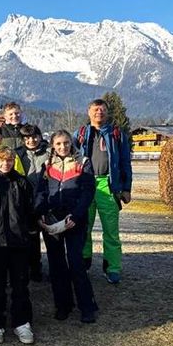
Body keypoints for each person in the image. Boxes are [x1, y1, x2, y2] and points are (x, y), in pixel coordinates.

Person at [36, 130, 98, 323]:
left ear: (71, 144)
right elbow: (41, 192)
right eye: (59, 144)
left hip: (74, 220)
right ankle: (63, 305)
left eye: (66, 143)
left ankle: (87, 307)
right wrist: (40, 213)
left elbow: (88, 192)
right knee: (56, 265)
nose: (63, 147)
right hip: (53, 220)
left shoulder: (83, 162)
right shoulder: (46, 165)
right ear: (53, 145)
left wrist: (77, 215)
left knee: (76, 263)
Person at [0, 146, 37, 345]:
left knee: (20, 286)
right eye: (2, 160)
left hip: (18, 244)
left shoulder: (22, 182)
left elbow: (30, 213)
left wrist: (29, 235)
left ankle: (22, 323)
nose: (5, 163)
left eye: (9, 160)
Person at [75, 98, 132, 284]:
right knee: (83, 228)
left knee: (111, 231)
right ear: (88, 112)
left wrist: (126, 188)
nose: (99, 112)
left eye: (102, 109)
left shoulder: (117, 134)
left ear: (107, 113)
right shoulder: (81, 133)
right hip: (85, 184)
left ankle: (112, 268)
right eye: (95, 109)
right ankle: (83, 263)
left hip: (108, 185)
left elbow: (125, 162)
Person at [17, 124, 49, 281]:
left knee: (52, 236)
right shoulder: (18, 154)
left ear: (40, 136)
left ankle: (57, 268)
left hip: (48, 200)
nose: (31, 140)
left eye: (34, 136)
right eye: (27, 138)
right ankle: (35, 268)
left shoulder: (50, 152)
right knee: (32, 239)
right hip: (28, 202)